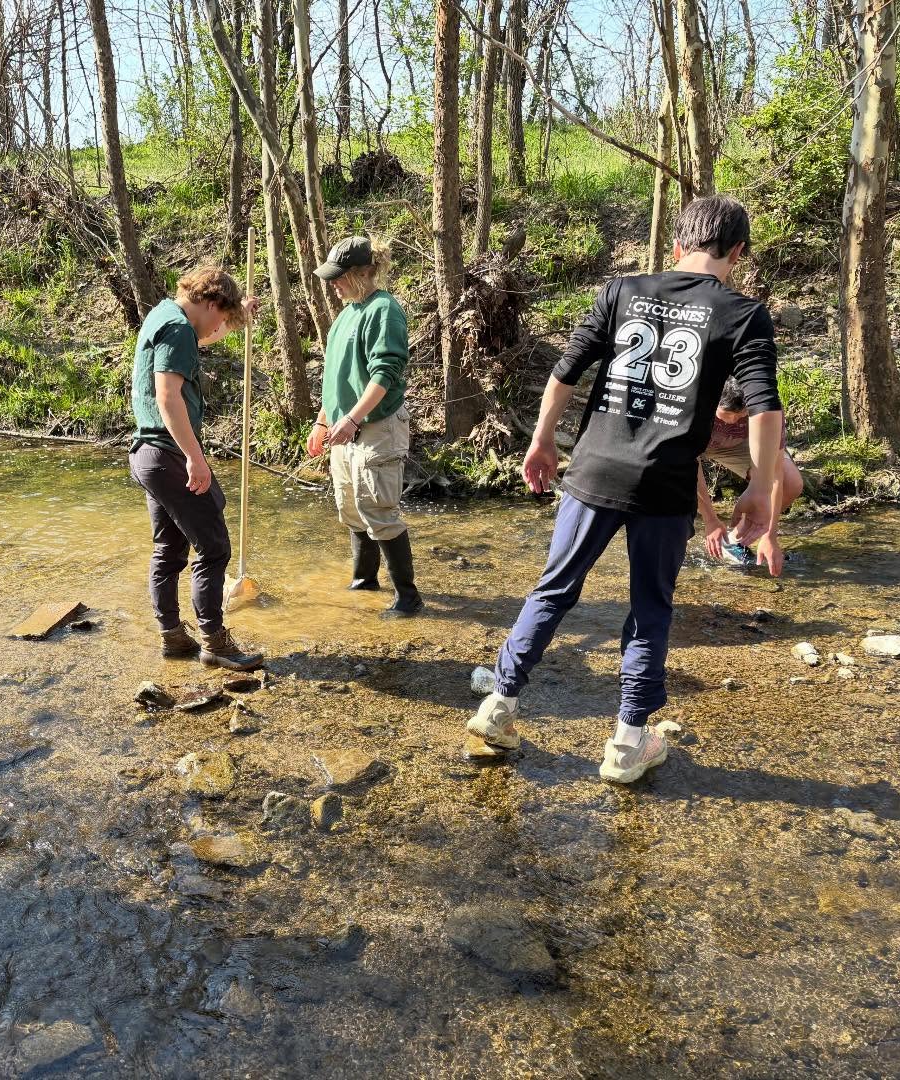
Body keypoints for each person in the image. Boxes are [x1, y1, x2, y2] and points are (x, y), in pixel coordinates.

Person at [466, 195, 785, 784]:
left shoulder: (622, 290)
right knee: (649, 611)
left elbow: (567, 370)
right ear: (737, 253)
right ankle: (627, 744)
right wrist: (761, 490)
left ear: (676, 245)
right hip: (664, 485)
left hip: (592, 470)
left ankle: (500, 704)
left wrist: (541, 443)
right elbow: (763, 408)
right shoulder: (743, 314)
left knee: (554, 588)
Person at [130, 266, 263, 672]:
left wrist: (238, 318)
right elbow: (168, 397)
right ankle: (215, 642)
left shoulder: (165, 316)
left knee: (169, 549)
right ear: (208, 303)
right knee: (214, 546)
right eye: (220, 316)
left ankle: (172, 636)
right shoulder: (177, 329)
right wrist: (195, 457)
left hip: (147, 455)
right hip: (168, 453)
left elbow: (201, 337)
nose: (218, 326)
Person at [305, 236, 422, 617]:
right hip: (343, 429)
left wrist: (353, 417)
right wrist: (323, 422)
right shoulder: (345, 316)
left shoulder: (384, 310)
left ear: (365, 273)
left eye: (339, 277)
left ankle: (407, 597)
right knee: (350, 507)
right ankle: (364, 580)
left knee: (379, 509)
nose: (332, 284)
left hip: (377, 427)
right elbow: (336, 379)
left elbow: (385, 373)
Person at [697, 376, 804, 568]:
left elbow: (776, 474)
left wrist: (770, 534)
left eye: (740, 416)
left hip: (739, 445)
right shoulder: (698, 398)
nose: (732, 421)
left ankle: (734, 540)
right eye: (726, 415)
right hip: (698, 439)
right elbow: (687, 463)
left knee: (791, 482)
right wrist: (710, 520)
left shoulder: (767, 405)